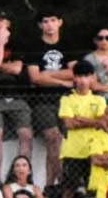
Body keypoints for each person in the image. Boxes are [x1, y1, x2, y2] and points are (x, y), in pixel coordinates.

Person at [0, 10, 33, 178]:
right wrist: (0, 43)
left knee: (26, 134)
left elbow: (16, 69)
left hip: (17, 96)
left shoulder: (19, 43)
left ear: (8, 24)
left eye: (1, 20)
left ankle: (21, 175)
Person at [58, 60, 107, 198]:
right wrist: (94, 121)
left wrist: (82, 120)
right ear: (74, 78)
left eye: (86, 76)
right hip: (72, 152)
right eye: (79, 76)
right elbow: (69, 123)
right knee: (68, 191)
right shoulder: (67, 99)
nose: (83, 80)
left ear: (92, 78)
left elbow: (104, 123)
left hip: (93, 152)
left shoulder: (99, 99)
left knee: (94, 193)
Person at [26, 10, 75, 188]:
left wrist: (49, 74)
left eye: (53, 20)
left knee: (63, 141)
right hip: (42, 101)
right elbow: (35, 78)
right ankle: (61, 182)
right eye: (45, 21)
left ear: (60, 22)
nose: (49, 25)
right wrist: (62, 82)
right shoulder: (33, 47)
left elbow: (75, 73)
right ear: (40, 25)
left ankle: (51, 184)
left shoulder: (68, 44)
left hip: (67, 101)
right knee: (53, 137)